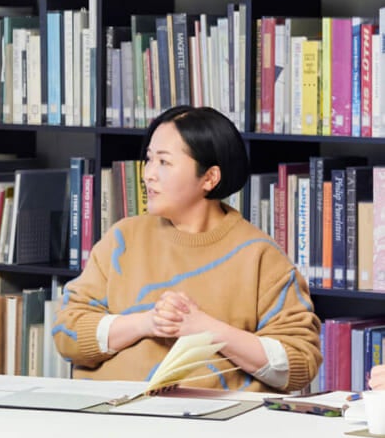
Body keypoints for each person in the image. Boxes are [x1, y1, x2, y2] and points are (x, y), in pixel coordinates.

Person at [53, 104, 322, 393]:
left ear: (210, 178)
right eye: (149, 159)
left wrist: (206, 329)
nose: (148, 174)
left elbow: (298, 363)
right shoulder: (122, 238)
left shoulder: (260, 255)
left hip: (216, 418)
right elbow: (67, 333)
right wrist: (146, 323)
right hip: (110, 411)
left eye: (164, 162)